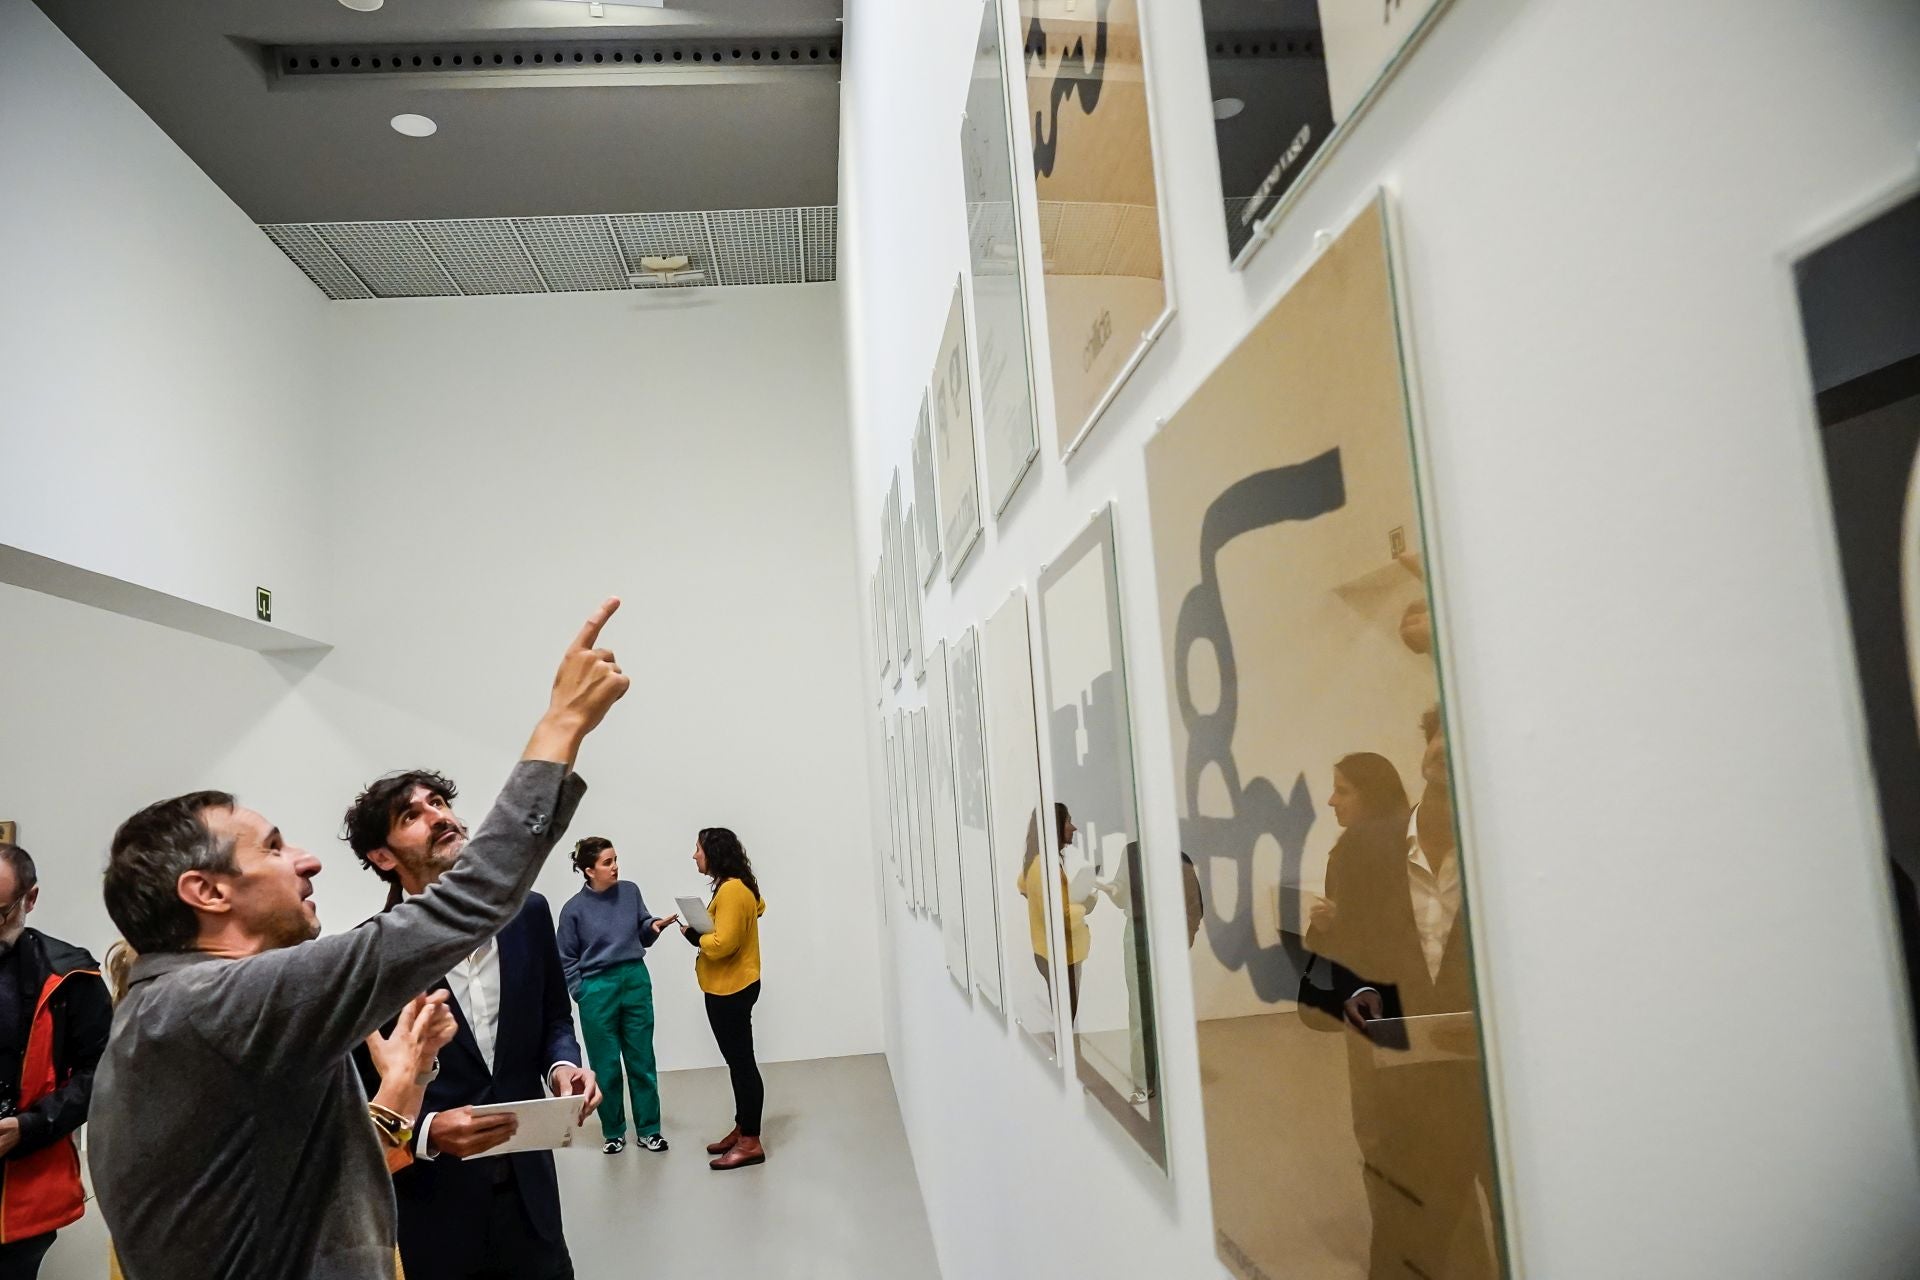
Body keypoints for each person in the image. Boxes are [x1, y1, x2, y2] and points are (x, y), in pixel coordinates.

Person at [89, 598, 630, 1280]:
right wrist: (563, 722)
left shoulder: (174, 1011)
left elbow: (305, 1176)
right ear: (209, 892)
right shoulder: (216, 1004)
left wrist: (402, 1083)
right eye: (276, 848)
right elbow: (467, 902)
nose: (306, 860)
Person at [344, 767, 600, 1280]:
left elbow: (553, 1015)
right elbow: (356, 1103)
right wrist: (429, 1133)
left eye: (439, 802)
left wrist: (562, 1066)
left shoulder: (529, 913)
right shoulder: (368, 958)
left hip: (531, 1197)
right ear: (382, 856)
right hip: (436, 1208)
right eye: (411, 815)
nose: (437, 816)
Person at [1316, 707, 1498, 1280]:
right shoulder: (1361, 851)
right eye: (1437, 731)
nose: (1444, 745)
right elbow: (1329, 1001)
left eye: (1459, 728)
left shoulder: (1514, 851)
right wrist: (1328, 952)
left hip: (1505, 1101)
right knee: (1403, 1248)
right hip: (1405, 1096)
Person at [0, 843, 109, 1279]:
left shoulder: (71, 975)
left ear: (31, 899)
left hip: (22, 1187)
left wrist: (30, 1127)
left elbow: (102, 1073)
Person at [556, 836, 676, 1155]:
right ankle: (613, 1131)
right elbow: (565, 958)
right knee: (605, 1065)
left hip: (634, 978)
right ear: (587, 870)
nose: (615, 866)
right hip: (596, 989)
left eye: (615, 859)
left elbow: (641, 932)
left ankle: (650, 1130)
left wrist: (654, 927)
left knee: (642, 1060)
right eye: (607, 862)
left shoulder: (631, 892)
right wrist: (581, 992)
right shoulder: (573, 911)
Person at [682, 827, 766, 1171]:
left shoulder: (732, 890)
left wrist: (695, 937)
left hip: (730, 989)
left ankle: (751, 1141)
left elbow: (723, 944)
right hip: (731, 985)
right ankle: (743, 1127)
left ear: (713, 853)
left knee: (742, 1064)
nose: (694, 855)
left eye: (698, 848)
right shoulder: (736, 887)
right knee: (738, 1063)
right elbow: (756, 910)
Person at [1021, 804, 1087, 1020]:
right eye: (1068, 821)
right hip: (1059, 953)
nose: (1073, 828)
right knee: (1066, 1018)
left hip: (1051, 951)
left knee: (1064, 1014)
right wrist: (1082, 906)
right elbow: (1061, 916)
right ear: (1055, 827)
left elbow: (1022, 885)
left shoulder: (1038, 862)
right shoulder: (1045, 866)